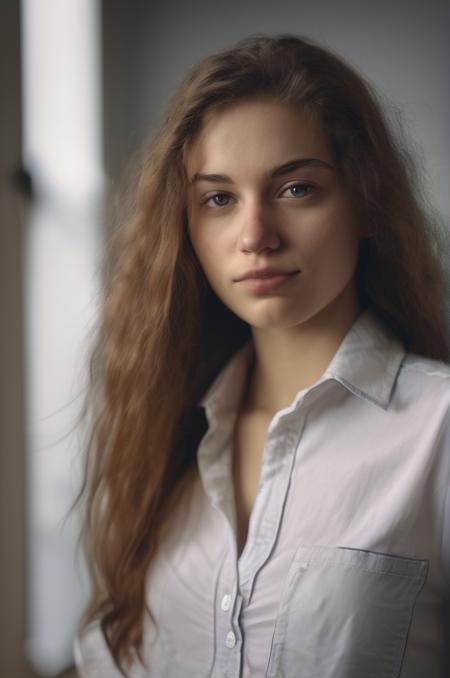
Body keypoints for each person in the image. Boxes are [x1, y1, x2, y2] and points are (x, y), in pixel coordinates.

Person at [75, 34, 450, 677]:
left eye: (296, 189)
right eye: (219, 199)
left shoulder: (437, 430)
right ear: (184, 226)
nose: (255, 237)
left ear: (364, 200)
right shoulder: (162, 440)